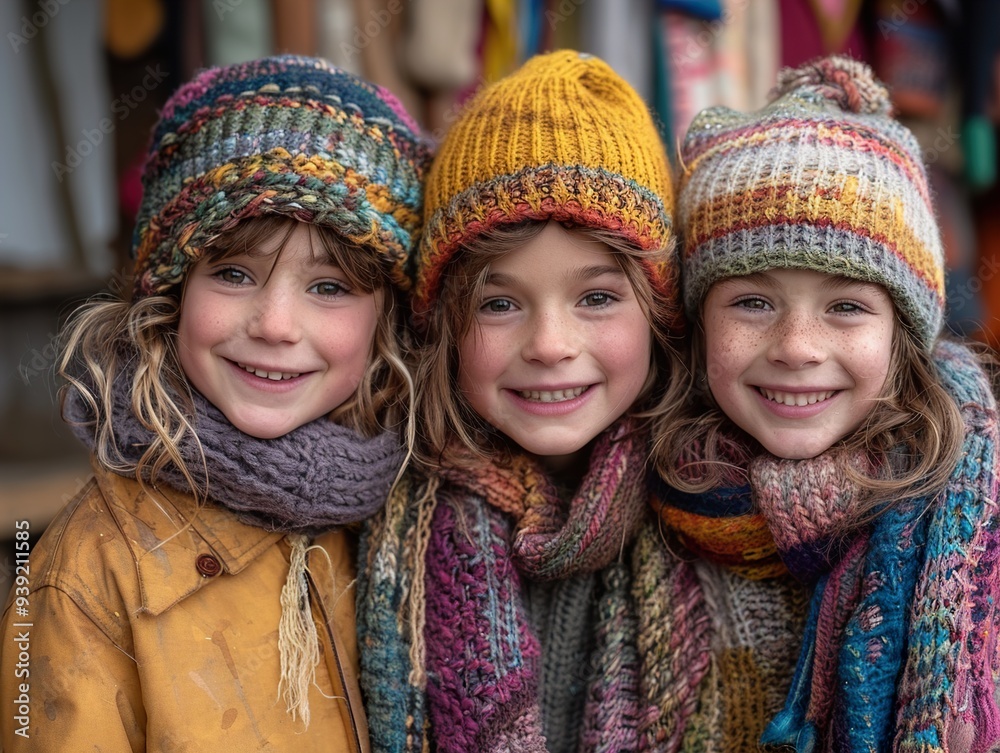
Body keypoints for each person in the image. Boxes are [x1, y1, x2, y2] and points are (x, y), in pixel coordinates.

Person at [0, 55, 429, 751]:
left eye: (330, 287)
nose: (276, 324)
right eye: (234, 273)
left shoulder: (405, 515)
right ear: (170, 295)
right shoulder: (88, 569)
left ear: (387, 320)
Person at [646, 55, 1000, 751]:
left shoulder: (974, 514)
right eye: (753, 301)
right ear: (699, 319)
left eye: (845, 306)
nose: (797, 346)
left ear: (903, 335)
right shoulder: (648, 495)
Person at [355, 49, 685, 753]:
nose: (550, 343)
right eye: (500, 302)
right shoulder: (379, 521)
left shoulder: (709, 516)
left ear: (660, 313)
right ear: (441, 323)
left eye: (596, 297)